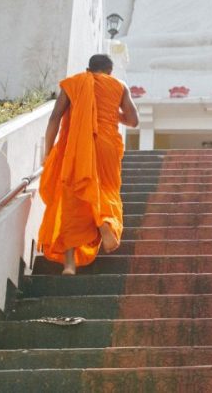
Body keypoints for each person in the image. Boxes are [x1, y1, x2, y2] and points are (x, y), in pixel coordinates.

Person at [37, 54, 139, 275]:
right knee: (105, 189)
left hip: (78, 146)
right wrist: (113, 112)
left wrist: (48, 152)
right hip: (107, 146)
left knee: (71, 200)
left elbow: (54, 118)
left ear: (88, 69)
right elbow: (133, 120)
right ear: (110, 71)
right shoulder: (119, 86)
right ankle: (104, 222)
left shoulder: (75, 83)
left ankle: (69, 264)